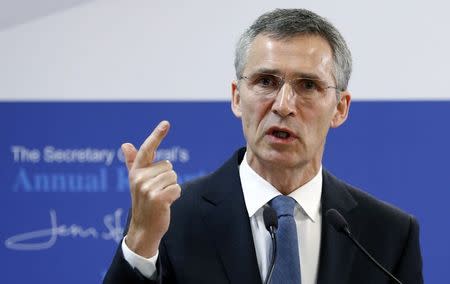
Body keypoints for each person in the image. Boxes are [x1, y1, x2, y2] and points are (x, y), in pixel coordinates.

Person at [104, 8, 423, 284]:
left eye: (308, 85)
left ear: (340, 108)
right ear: (237, 97)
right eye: (266, 81)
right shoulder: (171, 219)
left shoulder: (387, 235)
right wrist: (141, 241)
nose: (284, 105)